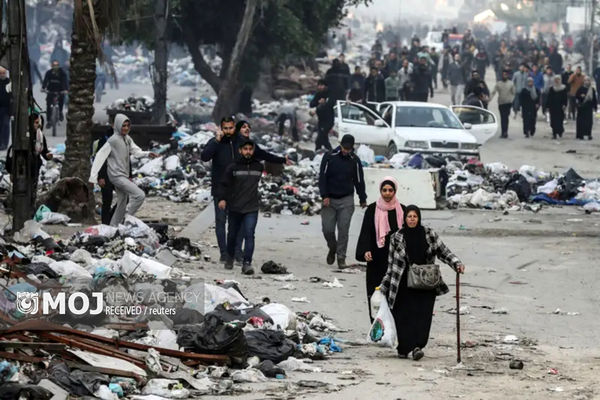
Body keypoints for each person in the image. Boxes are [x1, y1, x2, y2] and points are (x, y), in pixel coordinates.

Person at [379, 205, 465, 360]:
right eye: (409, 217)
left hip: (426, 282)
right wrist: (384, 285)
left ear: (419, 218)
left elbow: (443, 251)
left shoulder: (429, 234)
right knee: (404, 316)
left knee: (423, 316)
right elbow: (391, 264)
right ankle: (405, 347)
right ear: (404, 218)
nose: (412, 219)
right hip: (403, 283)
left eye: (414, 217)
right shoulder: (396, 237)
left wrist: (456, 263)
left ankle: (417, 346)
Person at [89, 114, 158, 226]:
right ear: (117, 126)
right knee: (139, 195)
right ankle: (126, 220)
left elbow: (136, 151)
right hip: (116, 176)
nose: (126, 128)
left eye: (127, 125)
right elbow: (99, 157)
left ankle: (113, 227)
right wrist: (93, 178)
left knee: (122, 202)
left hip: (123, 175)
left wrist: (147, 154)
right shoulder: (112, 140)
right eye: (123, 126)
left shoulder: (127, 139)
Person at [356, 177, 404, 323]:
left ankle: (394, 325)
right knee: (375, 292)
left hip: (397, 259)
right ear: (380, 191)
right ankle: (376, 326)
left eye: (390, 190)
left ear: (395, 191)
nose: (387, 193)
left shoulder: (402, 210)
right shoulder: (372, 209)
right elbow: (366, 232)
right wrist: (365, 250)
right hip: (377, 258)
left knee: (397, 293)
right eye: (384, 190)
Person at [319, 134, 367, 269]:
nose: (346, 151)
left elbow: (359, 180)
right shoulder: (329, 157)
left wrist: (362, 198)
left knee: (343, 230)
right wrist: (324, 196)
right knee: (327, 230)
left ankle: (341, 258)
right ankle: (332, 247)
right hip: (329, 199)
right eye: (344, 148)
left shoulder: (355, 160)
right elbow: (322, 178)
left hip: (346, 199)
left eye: (349, 149)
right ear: (340, 145)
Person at [217, 139, 263, 274]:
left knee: (250, 234)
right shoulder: (233, 167)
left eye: (250, 149)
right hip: (235, 207)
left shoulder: (258, 166)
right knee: (232, 235)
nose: (248, 152)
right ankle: (230, 257)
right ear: (240, 151)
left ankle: (247, 263)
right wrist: (222, 199)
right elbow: (224, 184)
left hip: (251, 207)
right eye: (245, 149)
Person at [91, 132, 115, 225]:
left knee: (126, 197)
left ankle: (112, 217)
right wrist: (100, 177)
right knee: (107, 199)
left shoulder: (125, 139)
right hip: (106, 175)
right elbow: (99, 159)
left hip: (119, 174)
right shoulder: (105, 139)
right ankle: (105, 223)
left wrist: (129, 175)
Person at [310, 79, 335, 151]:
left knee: (319, 139)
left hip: (329, 120)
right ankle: (331, 152)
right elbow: (312, 104)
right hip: (321, 120)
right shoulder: (318, 94)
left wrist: (324, 103)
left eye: (322, 85)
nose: (320, 87)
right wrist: (318, 102)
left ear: (325, 86)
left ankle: (317, 152)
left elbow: (331, 104)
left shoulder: (330, 94)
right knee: (324, 139)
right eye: (319, 85)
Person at [491, 69, 516, 138]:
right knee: (502, 118)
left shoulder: (511, 83)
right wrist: (488, 99)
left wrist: (512, 100)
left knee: (506, 118)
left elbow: (514, 93)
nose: (504, 76)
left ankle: (505, 132)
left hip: (508, 103)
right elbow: (493, 92)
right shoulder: (498, 83)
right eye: (503, 74)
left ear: (507, 75)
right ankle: (503, 132)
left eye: (506, 75)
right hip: (501, 103)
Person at [0, 67, 10, 150]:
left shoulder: (9, 82)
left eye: (4, 73)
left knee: (5, 125)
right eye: (1, 73)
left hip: (7, 108)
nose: (2, 75)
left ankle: (4, 143)